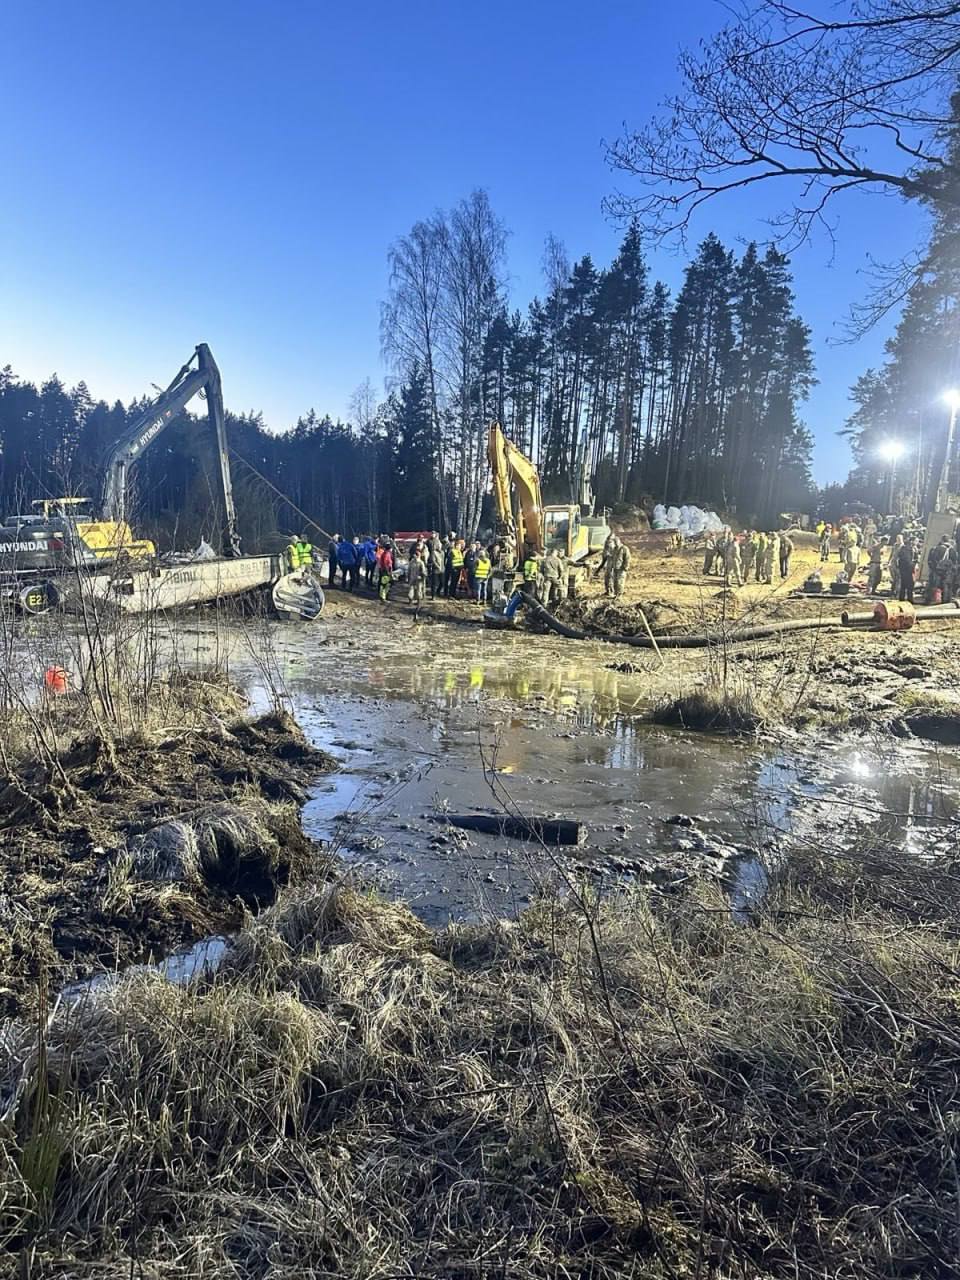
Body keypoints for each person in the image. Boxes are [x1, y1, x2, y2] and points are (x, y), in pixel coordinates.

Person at [897, 538, 915, 602]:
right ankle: (910, 599)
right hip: (907, 569)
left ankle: (901, 598)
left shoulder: (902, 549)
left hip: (903, 569)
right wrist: (912, 566)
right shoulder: (906, 550)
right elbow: (908, 560)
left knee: (903, 584)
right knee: (910, 584)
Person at [427, 533, 444, 599]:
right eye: (438, 545)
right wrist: (437, 566)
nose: (440, 546)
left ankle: (438, 592)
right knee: (434, 584)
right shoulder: (434, 552)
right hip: (436, 570)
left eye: (440, 545)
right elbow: (433, 560)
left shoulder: (442, 552)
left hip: (442, 570)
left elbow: (443, 561)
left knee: (442, 583)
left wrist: (442, 567)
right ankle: (433, 595)